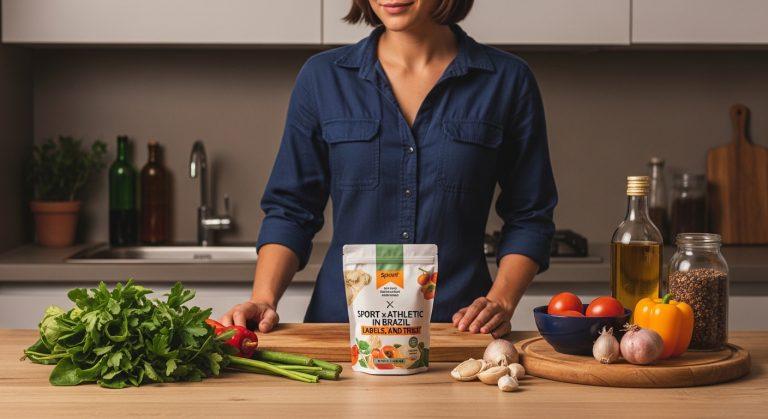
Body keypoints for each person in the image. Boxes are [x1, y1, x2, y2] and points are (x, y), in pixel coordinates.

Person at [220, 0, 557, 338]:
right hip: (342, 330)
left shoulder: (507, 81)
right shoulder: (323, 78)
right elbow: (291, 210)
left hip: (458, 330)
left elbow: (530, 215)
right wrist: (263, 299)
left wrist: (501, 301)